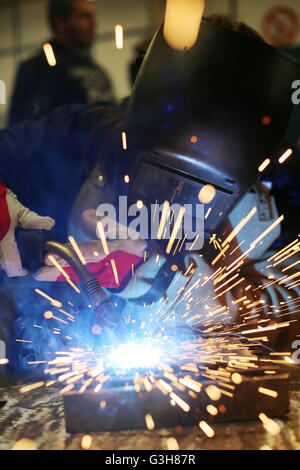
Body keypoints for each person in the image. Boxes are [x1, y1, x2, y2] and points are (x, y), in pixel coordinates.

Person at [0, 16, 299, 377]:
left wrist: (236, 304)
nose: (175, 199)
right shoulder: (76, 135)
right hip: (46, 353)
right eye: (160, 179)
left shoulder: (275, 180)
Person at [8, 0, 115, 126]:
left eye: (93, 16)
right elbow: (22, 127)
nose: (94, 23)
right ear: (59, 22)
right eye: (84, 16)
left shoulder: (96, 69)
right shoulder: (38, 68)